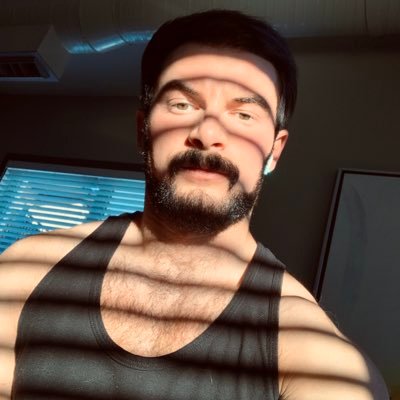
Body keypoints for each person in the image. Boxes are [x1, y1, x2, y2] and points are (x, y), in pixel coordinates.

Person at [0, 9, 389, 400]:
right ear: (142, 131)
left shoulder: (316, 356)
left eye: (243, 114)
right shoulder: (26, 271)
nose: (207, 133)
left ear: (274, 152)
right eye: (182, 105)